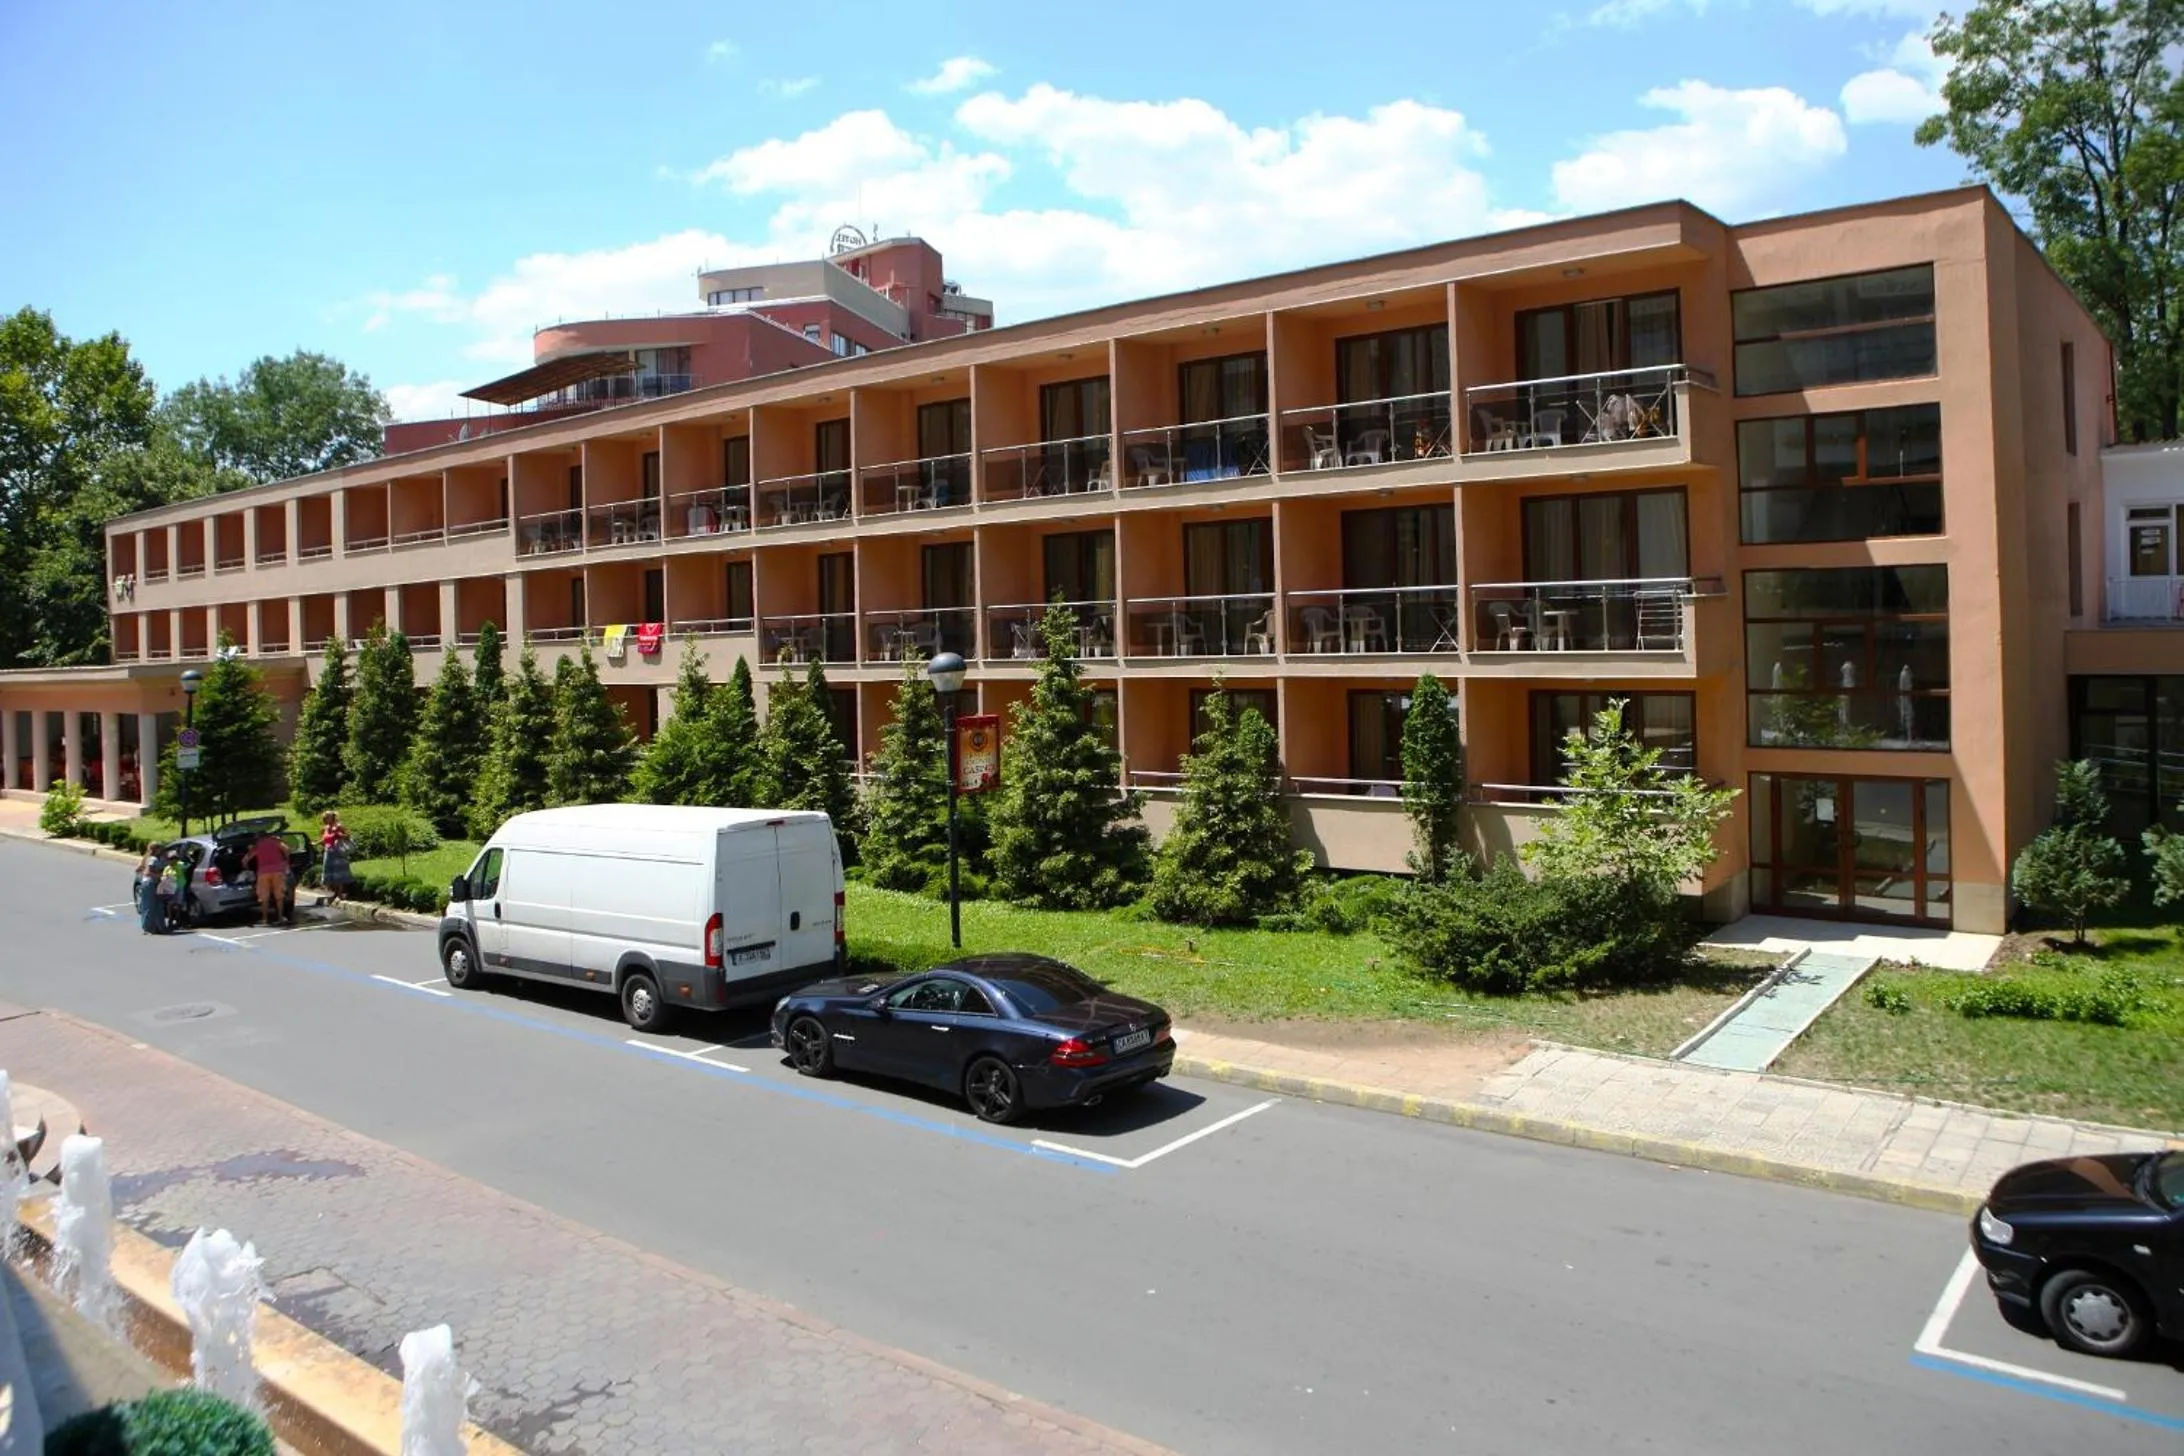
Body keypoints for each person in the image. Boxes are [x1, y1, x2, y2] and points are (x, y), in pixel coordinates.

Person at [251, 828, 290, 927]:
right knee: (279, 896)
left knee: (264, 897)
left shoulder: (257, 845)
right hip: (278, 871)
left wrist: (247, 868)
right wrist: (285, 861)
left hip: (263, 873)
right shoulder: (275, 841)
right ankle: (280, 918)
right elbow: (287, 850)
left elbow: (245, 859)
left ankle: (264, 920)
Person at [319, 810, 353, 906]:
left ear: (332, 817)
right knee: (330, 872)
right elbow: (325, 839)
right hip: (328, 852)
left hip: (338, 852)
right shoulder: (325, 828)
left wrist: (339, 835)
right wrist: (316, 843)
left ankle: (340, 894)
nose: (325, 819)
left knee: (339, 873)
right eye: (324, 817)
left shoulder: (339, 826)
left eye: (326, 817)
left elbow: (348, 836)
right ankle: (334, 893)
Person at [136, 842, 168, 934]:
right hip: (150, 884)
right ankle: (148, 928)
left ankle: (158, 927)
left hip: (153, 884)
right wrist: (161, 875)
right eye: (160, 849)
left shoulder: (148, 857)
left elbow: (138, 869)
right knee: (150, 906)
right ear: (156, 850)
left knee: (157, 906)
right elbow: (148, 873)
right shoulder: (152, 859)